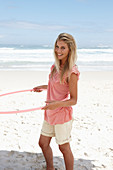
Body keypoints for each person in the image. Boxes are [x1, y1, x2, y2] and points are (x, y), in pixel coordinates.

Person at [33, 33, 80, 170]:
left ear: (70, 49)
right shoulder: (55, 67)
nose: (58, 51)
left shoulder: (72, 72)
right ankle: (50, 168)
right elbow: (57, 86)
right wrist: (43, 87)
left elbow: (74, 100)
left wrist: (56, 104)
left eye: (63, 48)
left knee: (63, 147)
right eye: (57, 46)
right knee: (43, 143)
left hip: (61, 114)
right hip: (50, 112)